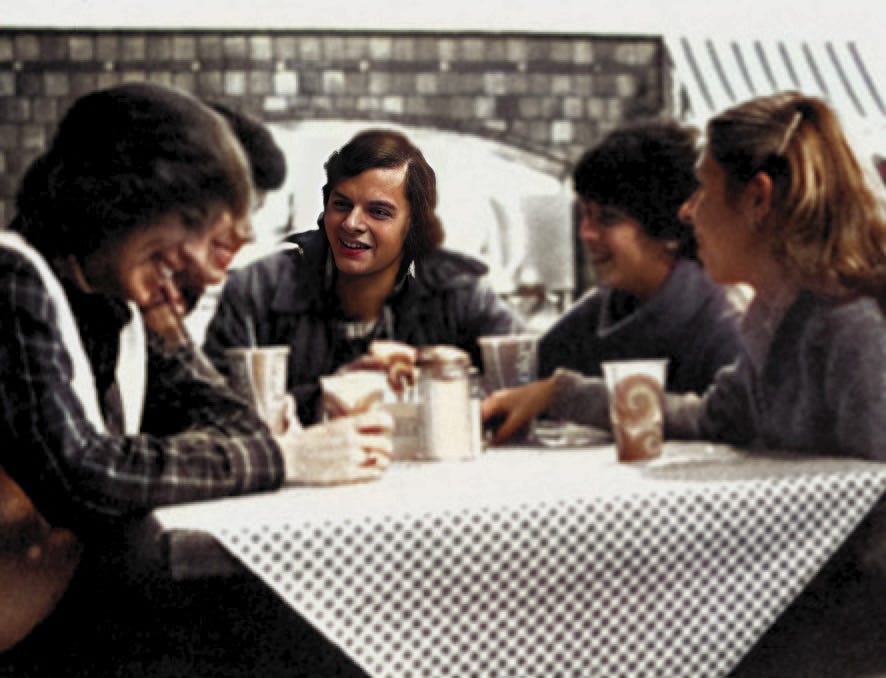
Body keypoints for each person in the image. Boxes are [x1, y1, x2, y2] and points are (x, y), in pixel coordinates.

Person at [0, 82, 391, 672]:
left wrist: (261, 446)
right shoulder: (13, 279)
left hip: (70, 606)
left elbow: (222, 409)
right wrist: (286, 460)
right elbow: (82, 474)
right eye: (190, 224)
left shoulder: (126, 300)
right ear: (118, 198)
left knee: (307, 625)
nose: (198, 263)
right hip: (27, 632)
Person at [484, 92, 886, 461]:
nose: (687, 212)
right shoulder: (777, 315)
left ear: (758, 200)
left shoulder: (854, 329)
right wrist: (561, 393)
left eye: (703, 192)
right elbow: (710, 418)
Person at [203, 128, 522, 425]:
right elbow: (210, 412)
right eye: (341, 205)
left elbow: (523, 384)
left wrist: (445, 377)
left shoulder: (461, 293)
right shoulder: (258, 291)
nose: (352, 223)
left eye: (379, 212)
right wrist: (328, 395)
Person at [538, 121, 744, 394]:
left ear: (668, 230)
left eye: (608, 219)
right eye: (585, 213)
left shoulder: (726, 328)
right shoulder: (592, 318)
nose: (586, 233)